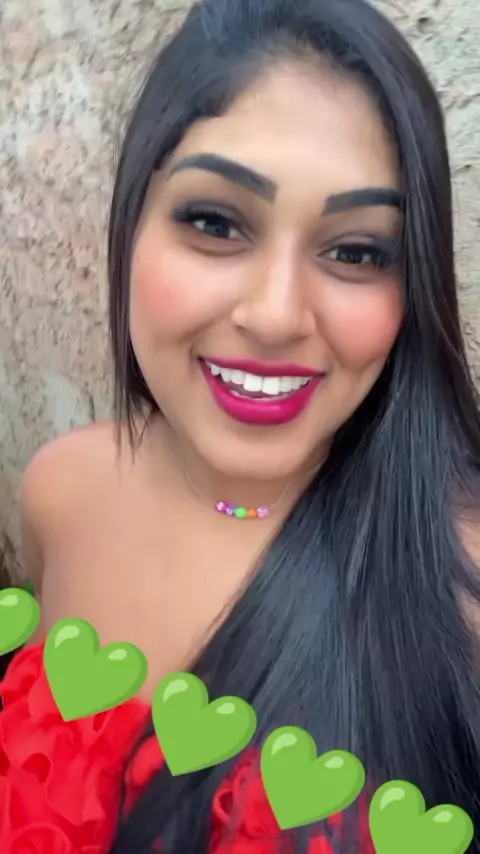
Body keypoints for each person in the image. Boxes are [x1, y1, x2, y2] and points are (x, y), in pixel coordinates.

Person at [1, 0, 480, 851]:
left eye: (357, 251)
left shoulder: (463, 587)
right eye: (216, 223)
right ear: (131, 224)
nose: (275, 314)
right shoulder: (60, 492)